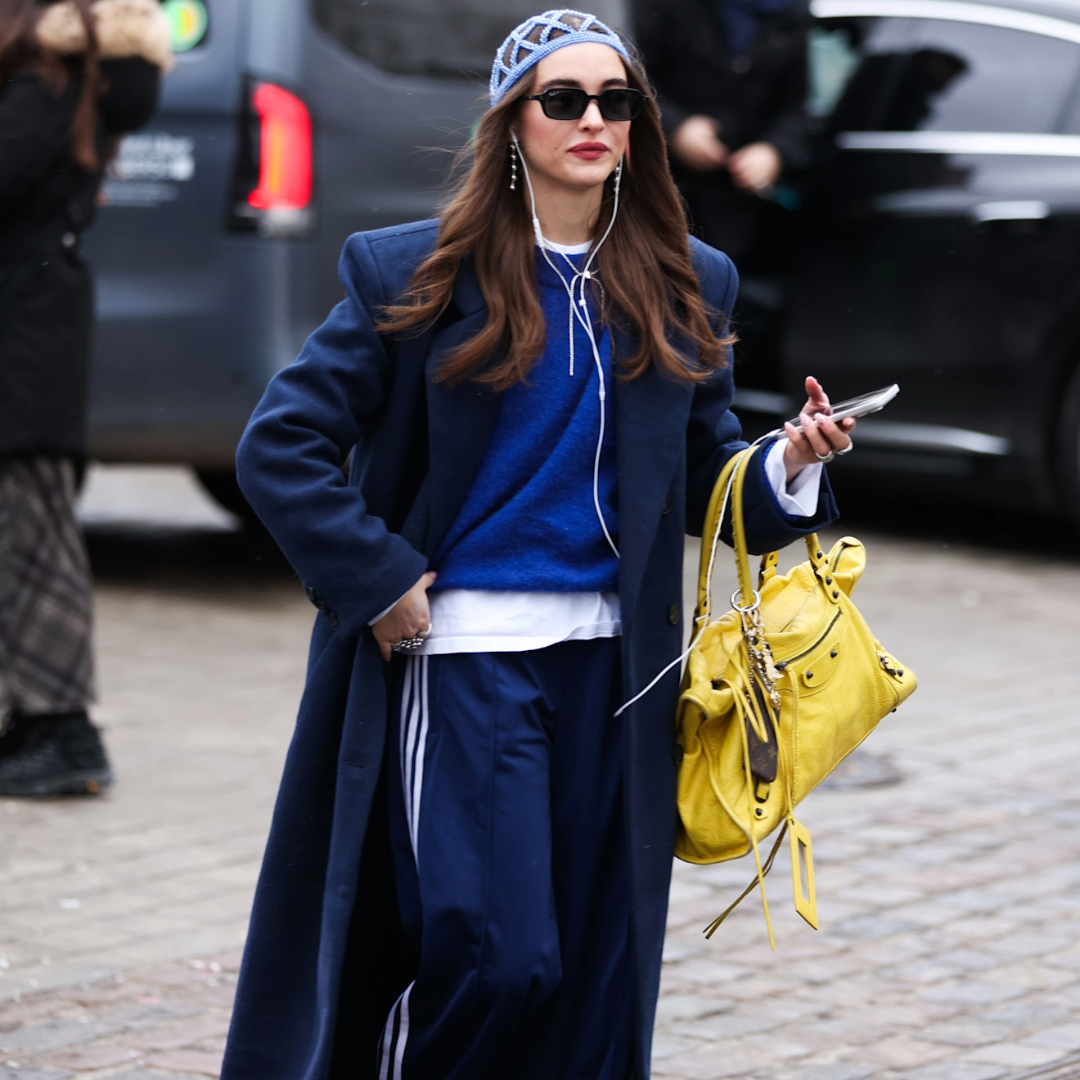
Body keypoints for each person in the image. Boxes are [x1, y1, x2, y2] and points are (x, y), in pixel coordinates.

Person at [219, 10, 854, 1080]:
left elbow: (704, 483)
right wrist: (380, 581)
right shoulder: (412, 272)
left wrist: (792, 462)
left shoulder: (688, 278)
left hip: (615, 671)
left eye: (617, 101)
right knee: (497, 955)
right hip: (464, 660)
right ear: (513, 123)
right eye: (564, 100)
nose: (594, 120)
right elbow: (279, 447)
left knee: (590, 975)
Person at [0, 0, 171, 796]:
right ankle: (35, 720)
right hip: (33, 325)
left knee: (31, 533)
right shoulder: (62, 79)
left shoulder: (45, 84)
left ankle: (63, 729)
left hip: (22, 339)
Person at [632, 0, 812, 265]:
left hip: (736, 203)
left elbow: (797, 106)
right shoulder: (665, 7)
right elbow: (631, 78)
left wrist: (773, 150)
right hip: (659, 189)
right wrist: (677, 128)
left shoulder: (792, 13)